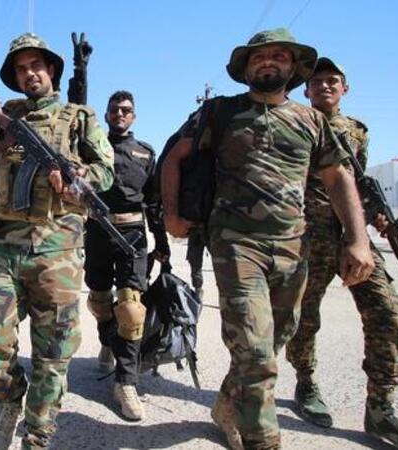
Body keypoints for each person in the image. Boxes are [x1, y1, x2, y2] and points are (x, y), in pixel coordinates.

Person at [160, 28, 375, 450]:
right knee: (256, 355)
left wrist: (358, 239)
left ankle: (227, 405)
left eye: (278, 56)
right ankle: (264, 440)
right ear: (246, 68)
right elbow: (174, 159)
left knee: (271, 341)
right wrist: (171, 214)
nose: (268, 62)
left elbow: (337, 177)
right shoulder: (221, 111)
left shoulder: (311, 121)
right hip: (236, 246)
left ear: (293, 67)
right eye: (259, 57)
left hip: (294, 248)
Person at [0, 4, 114, 449]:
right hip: (6, 246)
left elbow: (106, 172)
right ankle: (10, 399)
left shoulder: (79, 117)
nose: (29, 73)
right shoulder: (7, 116)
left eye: (36, 64)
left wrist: (79, 176)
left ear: (51, 69)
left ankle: (38, 433)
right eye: (21, 69)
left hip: (59, 251)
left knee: (53, 354)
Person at [284, 57, 398, 450]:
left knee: (384, 309)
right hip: (308, 237)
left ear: (345, 88)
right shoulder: (296, 123)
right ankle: (305, 382)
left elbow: (357, 181)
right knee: (304, 318)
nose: (324, 86)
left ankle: (381, 408)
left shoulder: (357, 131)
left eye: (332, 81)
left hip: (352, 237)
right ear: (306, 90)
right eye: (317, 81)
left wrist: (375, 214)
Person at [84, 90, 169, 421]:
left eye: (126, 110)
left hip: (132, 236)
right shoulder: (92, 147)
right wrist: (80, 71)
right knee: (99, 300)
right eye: (114, 109)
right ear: (106, 115)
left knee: (132, 309)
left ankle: (126, 382)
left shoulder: (145, 152)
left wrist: (161, 242)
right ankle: (108, 340)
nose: (120, 114)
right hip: (97, 233)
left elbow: (154, 202)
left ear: (133, 116)